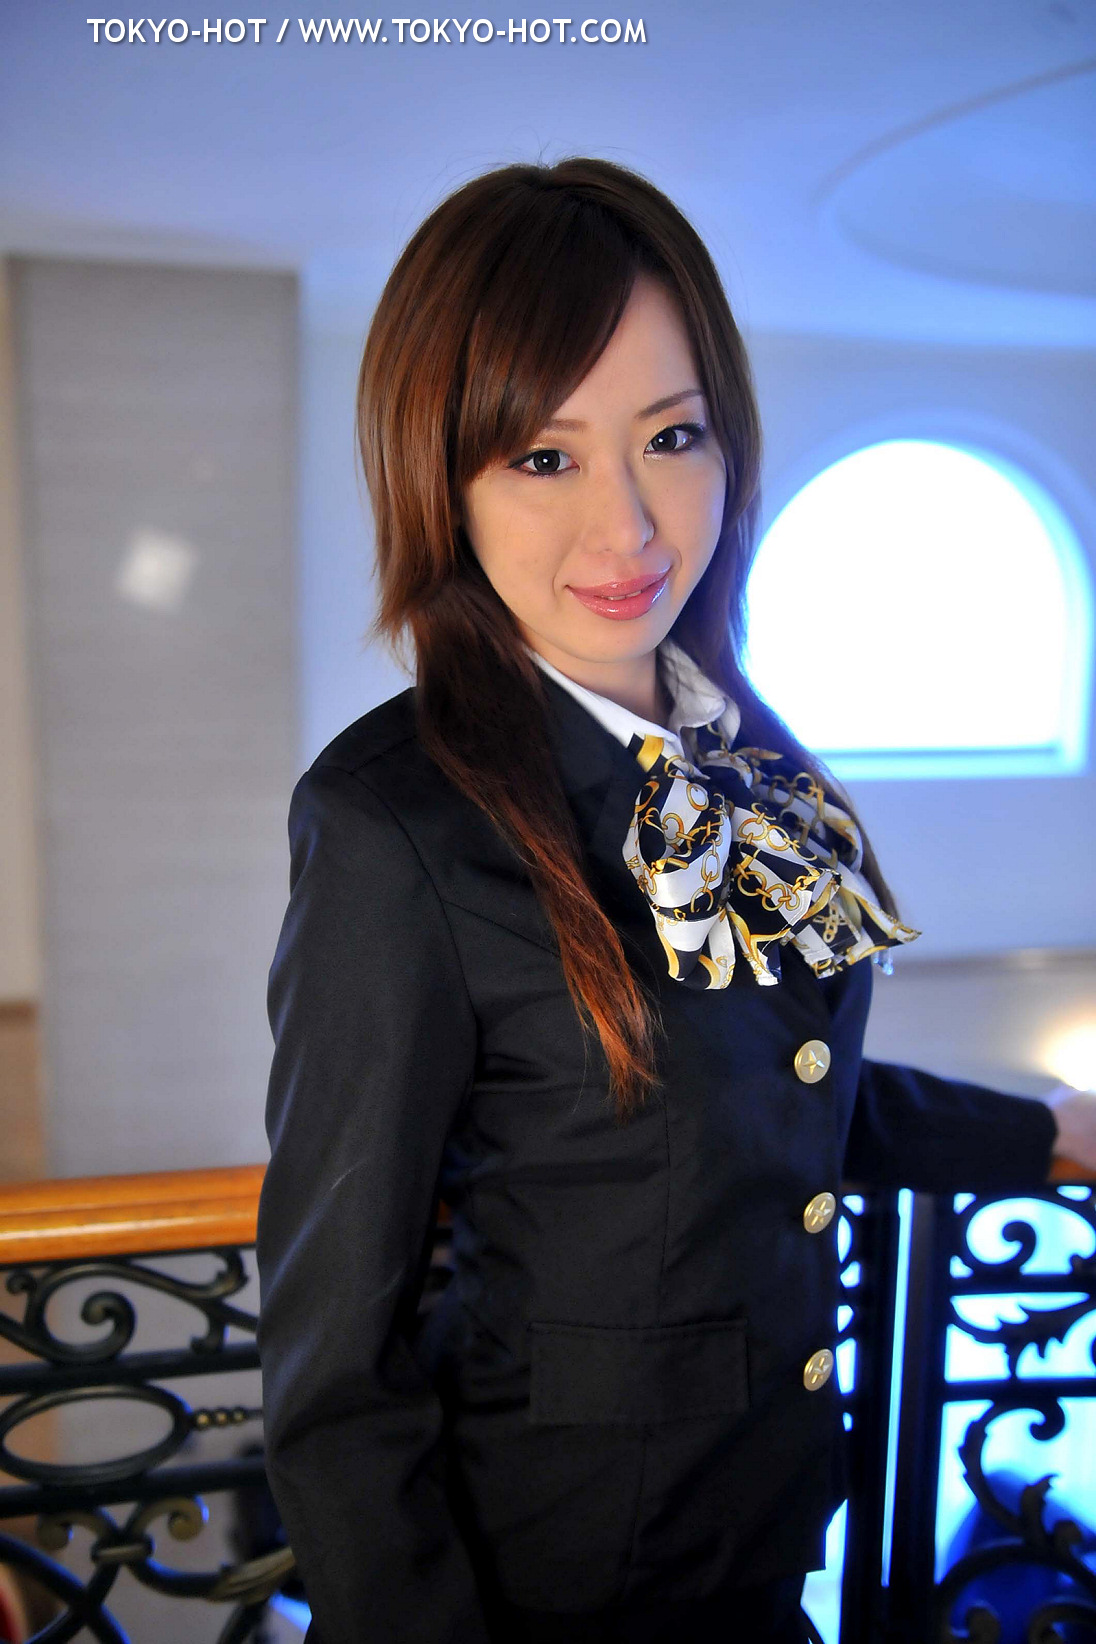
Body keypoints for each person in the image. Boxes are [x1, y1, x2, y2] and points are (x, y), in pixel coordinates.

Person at [254, 157, 1096, 1644]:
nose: (630, 529)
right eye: (545, 457)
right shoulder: (397, 822)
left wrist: (1041, 1131)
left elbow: (774, 1088)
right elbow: (335, 1361)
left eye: (671, 436)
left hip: (764, 1553)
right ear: (438, 475)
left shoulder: (745, 756)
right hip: (552, 1587)